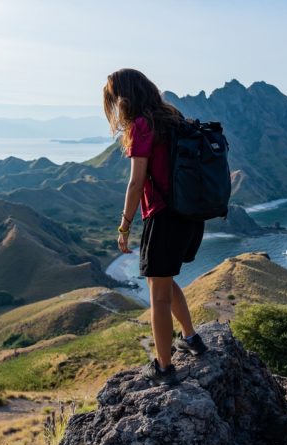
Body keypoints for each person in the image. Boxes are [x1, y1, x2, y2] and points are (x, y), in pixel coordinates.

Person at [103, 68, 207, 386]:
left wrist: (124, 227)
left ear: (123, 99)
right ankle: (191, 339)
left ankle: (163, 368)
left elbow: (136, 183)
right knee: (163, 281)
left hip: (164, 218)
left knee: (157, 296)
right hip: (190, 216)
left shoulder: (142, 126)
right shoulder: (172, 118)